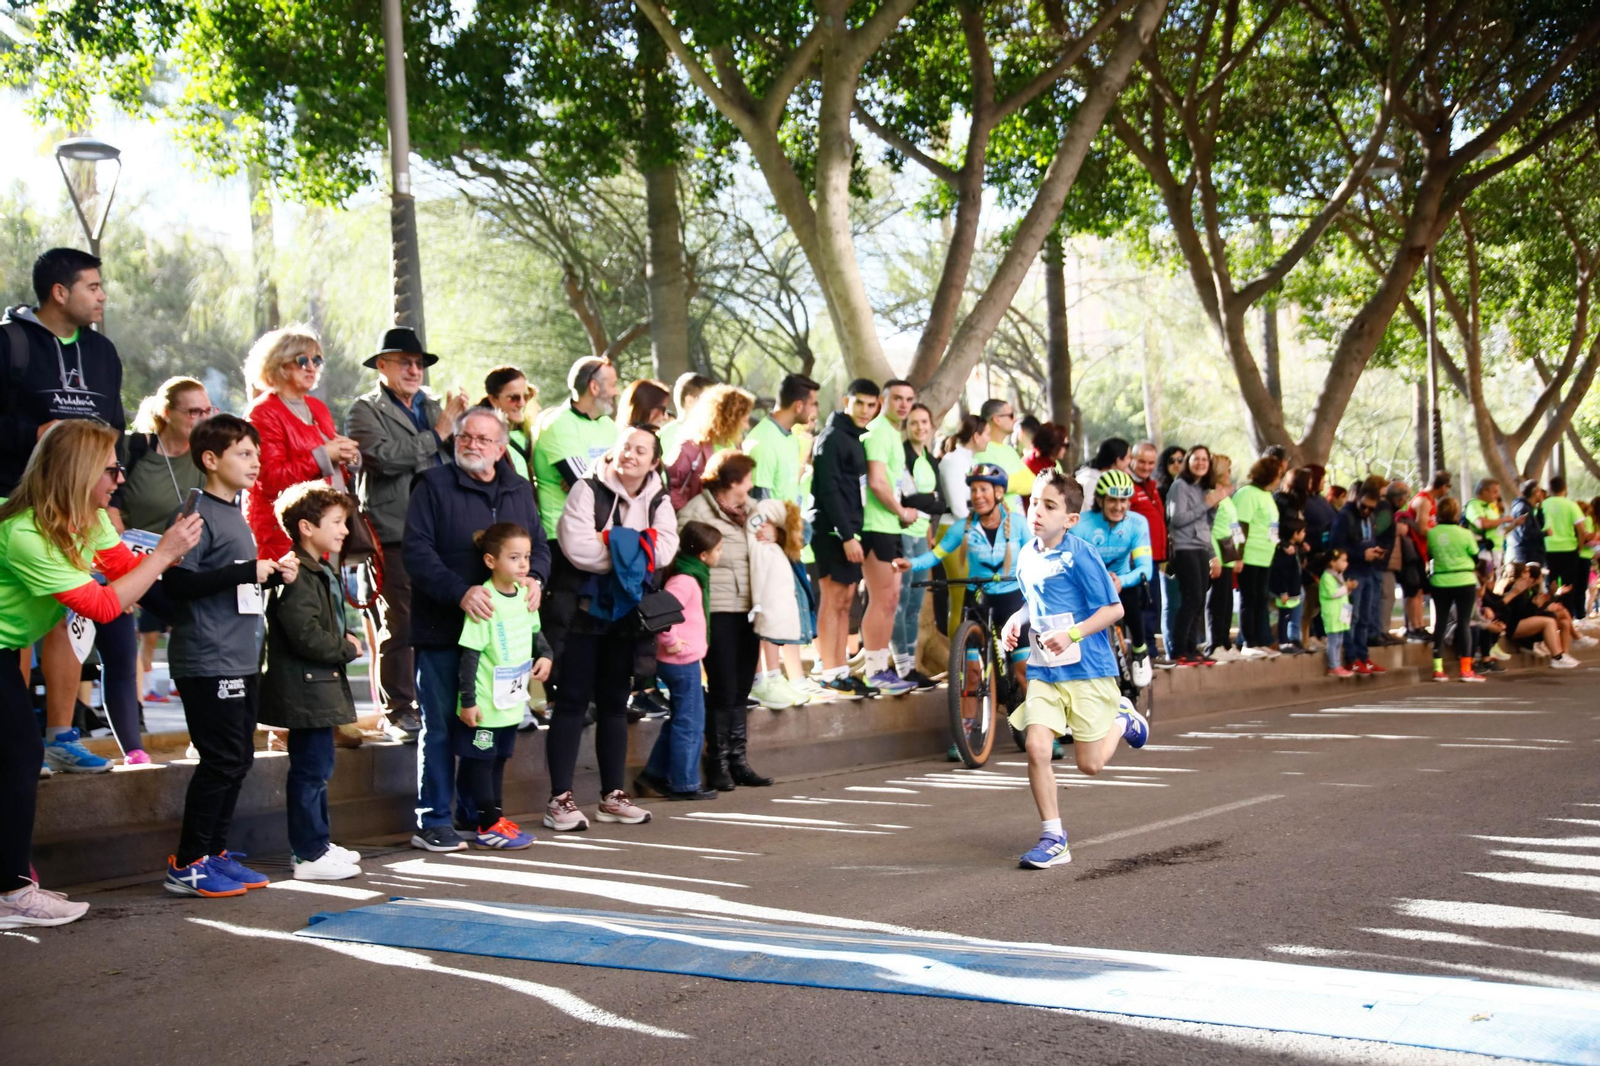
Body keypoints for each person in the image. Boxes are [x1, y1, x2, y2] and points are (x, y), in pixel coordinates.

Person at [0, 420, 201, 928]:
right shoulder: (23, 532)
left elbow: (123, 571)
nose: (120, 478)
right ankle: (11, 892)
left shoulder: (89, 519)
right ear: (78, 471)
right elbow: (101, 604)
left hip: (6, 647)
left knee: (17, 759)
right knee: (20, 759)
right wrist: (162, 555)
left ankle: (10, 885)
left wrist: (178, 566)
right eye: (111, 468)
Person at [164, 414, 301, 897]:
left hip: (240, 657)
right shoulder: (196, 511)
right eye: (243, 454)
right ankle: (188, 863)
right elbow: (176, 580)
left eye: (256, 454)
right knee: (221, 759)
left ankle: (213, 853)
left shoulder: (233, 511)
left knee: (237, 758)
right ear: (210, 459)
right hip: (208, 659)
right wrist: (246, 572)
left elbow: (232, 576)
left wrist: (266, 574)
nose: (255, 462)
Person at [4, 249, 130, 777]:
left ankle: (60, 736)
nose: (102, 296)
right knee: (15, 623)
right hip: (15, 498)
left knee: (67, 612)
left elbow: (114, 426)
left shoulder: (103, 351)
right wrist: (38, 437)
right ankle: (15, 740)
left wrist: (112, 499)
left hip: (80, 505)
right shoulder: (9, 342)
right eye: (93, 286)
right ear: (60, 291)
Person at [403, 406, 548, 852]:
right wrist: (460, 591)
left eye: (484, 439)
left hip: (503, 645)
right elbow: (416, 551)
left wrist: (537, 578)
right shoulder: (433, 484)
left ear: (501, 448)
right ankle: (434, 820)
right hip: (445, 630)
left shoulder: (519, 489)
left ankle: (479, 815)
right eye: (466, 436)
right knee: (442, 727)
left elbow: (540, 547)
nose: (473, 445)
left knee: (492, 727)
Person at [1002, 471, 1149, 870]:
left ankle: (1121, 717)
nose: (1037, 512)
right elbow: (1035, 602)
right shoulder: (1028, 554)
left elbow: (1113, 609)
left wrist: (1071, 635)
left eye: (1050, 506)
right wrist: (1016, 620)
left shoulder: (1080, 554)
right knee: (1036, 746)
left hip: (1087, 668)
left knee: (1090, 765)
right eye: (1035, 502)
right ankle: (1054, 837)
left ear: (1070, 519)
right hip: (1045, 669)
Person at [548, 424, 676, 826]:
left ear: (654, 461)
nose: (630, 455)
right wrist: (636, 546)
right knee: (570, 704)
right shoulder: (587, 488)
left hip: (627, 617)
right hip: (584, 614)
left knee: (615, 707)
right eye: (625, 447)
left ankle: (612, 796)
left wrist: (611, 540)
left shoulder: (659, 497)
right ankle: (559, 800)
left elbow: (668, 547)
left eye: (641, 450)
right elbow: (577, 547)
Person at [347, 327, 462, 743]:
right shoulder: (365, 409)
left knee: (445, 617)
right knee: (399, 621)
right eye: (405, 362)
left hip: (441, 530)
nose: (414, 370)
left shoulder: (435, 407)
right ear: (382, 365)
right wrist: (439, 432)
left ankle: (439, 703)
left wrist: (452, 427)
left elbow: (458, 457)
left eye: (419, 363)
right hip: (391, 532)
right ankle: (398, 710)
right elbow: (381, 458)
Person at [258, 482, 366, 880]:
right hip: (306, 688)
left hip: (315, 687)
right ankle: (307, 852)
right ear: (306, 526)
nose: (344, 530)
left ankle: (317, 844)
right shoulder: (299, 573)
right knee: (310, 771)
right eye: (336, 522)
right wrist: (346, 647)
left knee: (318, 768)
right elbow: (306, 635)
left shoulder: (315, 569)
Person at [894, 463, 1030, 758]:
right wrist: (910, 564)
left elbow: (1036, 555)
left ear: (998, 492)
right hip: (979, 599)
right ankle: (966, 734)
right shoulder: (963, 527)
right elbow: (936, 555)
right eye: (973, 490)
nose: (977, 495)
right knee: (971, 673)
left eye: (983, 489)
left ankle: (1041, 730)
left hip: (1012, 601)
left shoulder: (1018, 524)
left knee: (1023, 671)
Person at [679, 450, 776, 789]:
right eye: (748, 478)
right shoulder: (696, 512)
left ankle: (739, 760)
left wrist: (773, 537)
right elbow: (686, 560)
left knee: (742, 688)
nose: (752, 485)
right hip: (717, 607)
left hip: (750, 607)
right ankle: (716, 761)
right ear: (733, 480)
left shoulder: (753, 512)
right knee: (722, 686)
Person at [455, 522, 553, 849]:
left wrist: (547, 656)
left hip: (512, 702)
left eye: (526, 556)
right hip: (484, 706)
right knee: (481, 761)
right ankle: (486, 824)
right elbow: (469, 655)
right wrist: (468, 701)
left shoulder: (526, 593)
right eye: (514, 557)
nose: (523, 564)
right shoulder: (484, 600)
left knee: (498, 761)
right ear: (490, 561)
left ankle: (495, 818)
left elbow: (536, 635)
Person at [123, 377, 212, 725]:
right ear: (167, 413)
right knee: (122, 638)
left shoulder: (207, 457)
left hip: (179, 566)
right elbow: (111, 504)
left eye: (208, 410)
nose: (203, 418)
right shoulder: (136, 450)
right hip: (129, 559)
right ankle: (130, 714)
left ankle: (201, 717)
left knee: (188, 627)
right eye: (194, 411)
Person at [242, 324, 361, 560]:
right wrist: (324, 455)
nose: (312, 367)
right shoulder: (263, 411)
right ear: (279, 364)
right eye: (302, 360)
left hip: (323, 528)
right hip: (285, 535)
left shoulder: (317, 407)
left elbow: (330, 469)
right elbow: (271, 479)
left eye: (317, 360)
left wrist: (350, 459)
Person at [746, 373, 822, 707]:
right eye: (814, 403)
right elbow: (757, 499)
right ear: (799, 404)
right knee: (770, 609)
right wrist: (774, 536)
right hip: (768, 540)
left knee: (786, 608)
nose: (816, 410)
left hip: (787, 537)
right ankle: (764, 679)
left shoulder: (790, 439)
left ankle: (777, 678)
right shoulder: (762, 440)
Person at [636, 520, 722, 801]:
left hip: (685, 658)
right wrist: (672, 642)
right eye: (718, 549)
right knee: (691, 721)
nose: (721, 554)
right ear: (703, 555)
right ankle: (684, 783)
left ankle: (655, 774)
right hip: (681, 661)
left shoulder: (691, 575)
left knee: (682, 719)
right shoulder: (685, 580)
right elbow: (660, 613)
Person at [811, 378, 878, 699]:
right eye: (860, 403)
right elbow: (828, 491)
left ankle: (839, 670)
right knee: (832, 600)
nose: (866, 410)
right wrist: (847, 534)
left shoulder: (855, 439)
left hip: (852, 532)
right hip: (832, 533)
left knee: (844, 603)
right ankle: (829, 672)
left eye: (871, 404)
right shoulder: (832, 438)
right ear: (845, 401)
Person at [857, 379, 919, 696]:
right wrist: (902, 512)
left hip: (890, 528)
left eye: (909, 399)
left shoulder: (892, 434)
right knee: (882, 600)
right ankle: (875, 671)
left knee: (891, 600)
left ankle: (882, 670)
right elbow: (878, 483)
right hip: (875, 527)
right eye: (897, 398)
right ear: (884, 400)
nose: (903, 404)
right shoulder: (879, 431)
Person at [1074, 470, 1154, 685]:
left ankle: (1139, 648)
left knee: (1131, 597)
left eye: (1124, 500)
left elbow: (1146, 568)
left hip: (1122, 580)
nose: (1119, 507)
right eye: (1113, 500)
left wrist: (1122, 580)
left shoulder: (1137, 524)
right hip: (1089, 582)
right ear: (1100, 500)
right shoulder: (1082, 524)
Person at [531, 355, 619, 549]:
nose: (617, 391)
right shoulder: (559, 424)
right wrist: (603, 481)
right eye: (613, 385)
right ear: (594, 387)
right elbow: (585, 486)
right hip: (563, 537)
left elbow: (626, 478)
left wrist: (599, 482)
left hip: (601, 532)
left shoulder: (608, 425)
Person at [891, 402, 945, 688]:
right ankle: (899, 666)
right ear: (906, 426)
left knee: (914, 604)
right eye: (914, 423)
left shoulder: (929, 458)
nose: (920, 428)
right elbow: (910, 499)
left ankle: (912, 665)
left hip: (922, 537)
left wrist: (929, 528)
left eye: (925, 422)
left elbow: (932, 503)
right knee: (900, 603)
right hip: (902, 536)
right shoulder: (901, 455)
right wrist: (930, 500)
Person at [934, 414, 989, 634]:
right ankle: (955, 658)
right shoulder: (953, 460)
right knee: (960, 597)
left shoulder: (969, 461)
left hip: (971, 529)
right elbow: (958, 507)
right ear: (976, 436)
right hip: (955, 531)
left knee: (972, 597)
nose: (988, 440)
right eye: (986, 434)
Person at [1166, 446, 1222, 665]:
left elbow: (1206, 524)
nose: (1200, 463)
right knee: (1191, 599)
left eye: (1205, 459)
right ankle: (1178, 649)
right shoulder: (1179, 486)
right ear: (1188, 461)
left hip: (1200, 547)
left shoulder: (1203, 488)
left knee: (1199, 599)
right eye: (1196, 459)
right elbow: (1177, 519)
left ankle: (1192, 648)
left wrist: (1213, 506)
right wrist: (1205, 505)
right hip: (1184, 548)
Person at [664, 383, 753, 512]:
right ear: (728, 420)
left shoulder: (736, 445)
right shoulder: (690, 447)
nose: (746, 426)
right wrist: (689, 515)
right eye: (743, 421)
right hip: (696, 524)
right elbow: (670, 487)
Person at [1425, 496, 1486, 683]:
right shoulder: (1465, 533)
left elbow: (1430, 554)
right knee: (1464, 622)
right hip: (1464, 579)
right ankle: (1466, 669)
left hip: (1440, 581)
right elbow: (1476, 557)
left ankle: (1438, 669)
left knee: (1440, 623)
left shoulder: (1432, 533)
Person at [1330, 482, 1386, 676]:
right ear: (1357, 498)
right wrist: (1362, 554)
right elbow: (1336, 545)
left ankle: (1363, 656)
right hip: (1353, 571)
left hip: (1367, 570)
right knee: (1351, 618)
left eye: (1372, 508)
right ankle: (1351, 657)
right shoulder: (1345, 516)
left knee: (1364, 617)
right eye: (1364, 506)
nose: (1367, 510)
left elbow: (1368, 540)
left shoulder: (1369, 517)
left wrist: (1375, 551)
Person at [1232, 456, 1283, 656]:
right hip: (1249, 556)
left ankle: (1260, 640)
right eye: (1278, 475)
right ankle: (1248, 642)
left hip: (1264, 556)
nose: (1279, 479)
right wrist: (1238, 555)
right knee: (1249, 599)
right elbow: (1240, 525)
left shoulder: (1267, 495)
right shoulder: (1247, 493)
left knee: (1260, 600)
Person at [1127, 442, 1169, 662]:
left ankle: (1151, 650)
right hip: (1135, 558)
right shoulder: (1127, 484)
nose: (1146, 466)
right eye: (1141, 461)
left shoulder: (1152, 485)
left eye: (1151, 462)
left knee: (1152, 603)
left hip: (1153, 556)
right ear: (1131, 459)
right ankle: (1142, 651)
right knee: (1140, 604)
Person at [1205, 454, 1244, 661]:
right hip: (1217, 555)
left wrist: (1237, 556)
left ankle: (1225, 641)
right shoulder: (1212, 495)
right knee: (1217, 601)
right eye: (1227, 470)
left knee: (1227, 601)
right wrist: (1213, 558)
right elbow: (1208, 529)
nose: (1230, 474)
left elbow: (1233, 526)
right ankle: (1215, 643)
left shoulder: (1226, 496)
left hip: (1229, 554)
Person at [973, 398, 1033, 512]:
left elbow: (1031, 482)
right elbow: (993, 484)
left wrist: (1008, 481)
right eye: (1011, 415)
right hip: (997, 523)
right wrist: (1013, 481)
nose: (1015, 419)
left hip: (1018, 522)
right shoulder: (982, 450)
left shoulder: (1010, 450)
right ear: (997, 419)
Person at [1542, 475, 1587, 619]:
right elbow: (1581, 530)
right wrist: (1579, 547)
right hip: (1569, 550)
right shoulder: (1571, 505)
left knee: (1550, 584)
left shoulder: (1543, 505)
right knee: (1569, 586)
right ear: (1565, 489)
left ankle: (1550, 617)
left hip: (1548, 549)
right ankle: (1567, 619)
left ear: (1550, 489)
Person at [482, 366, 538, 479]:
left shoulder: (526, 430)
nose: (522, 403)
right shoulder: (479, 437)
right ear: (493, 399)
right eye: (513, 398)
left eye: (526, 396)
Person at [658, 372, 716, 459]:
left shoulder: (662, 434)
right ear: (690, 401)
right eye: (711, 401)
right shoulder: (668, 435)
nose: (717, 406)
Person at [1319, 549, 1357, 676]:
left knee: (1339, 640)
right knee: (1333, 640)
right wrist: (1347, 587)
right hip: (1332, 613)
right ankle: (1333, 665)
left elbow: (1342, 593)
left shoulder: (1338, 575)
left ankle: (1337, 664)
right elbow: (1333, 593)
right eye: (1343, 560)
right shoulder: (1327, 577)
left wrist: (1348, 588)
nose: (1346, 563)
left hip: (1341, 612)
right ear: (1332, 562)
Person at [1074, 437, 1130, 515]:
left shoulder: (1107, 479)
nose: (1130, 461)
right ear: (1118, 460)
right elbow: (1088, 513)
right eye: (1129, 457)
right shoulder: (1089, 482)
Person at [1465, 478, 1513, 565]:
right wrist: (1503, 519)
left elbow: (1498, 530)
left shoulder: (1490, 507)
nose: (1497, 496)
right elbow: (1481, 524)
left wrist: (1515, 524)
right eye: (1494, 492)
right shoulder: (1474, 505)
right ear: (1484, 491)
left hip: (1497, 549)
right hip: (1484, 550)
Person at [1506, 479, 1545, 567]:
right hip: (1528, 553)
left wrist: (1540, 510)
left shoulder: (1529, 508)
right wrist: (1544, 534)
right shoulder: (1523, 508)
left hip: (1534, 552)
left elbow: (1538, 526)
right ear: (1536, 492)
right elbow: (1525, 533)